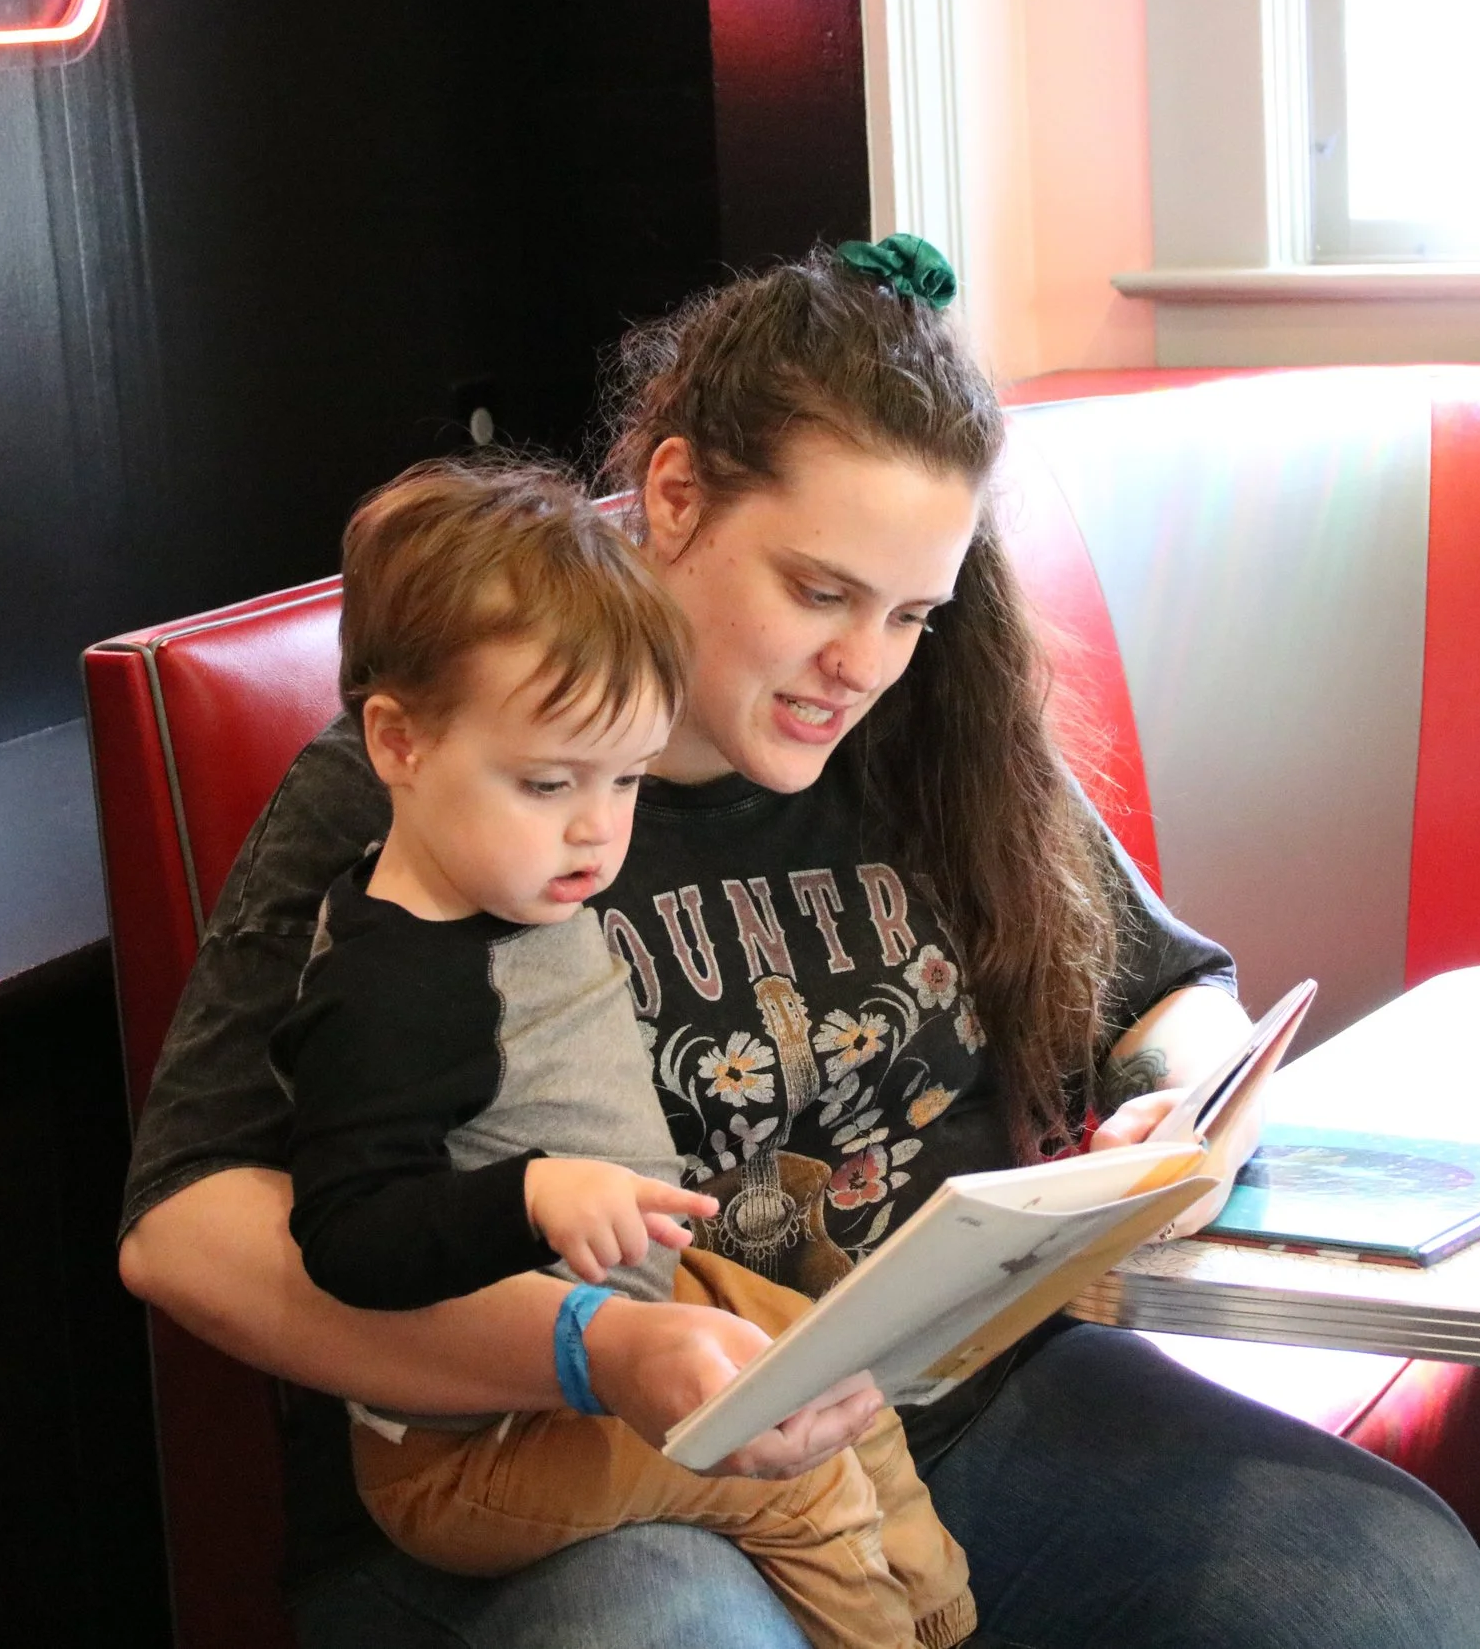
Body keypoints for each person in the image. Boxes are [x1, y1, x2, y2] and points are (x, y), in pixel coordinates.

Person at [118, 236, 1480, 1647]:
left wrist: (1177, 1119)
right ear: (673, 496)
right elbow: (186, 1233)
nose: (865, 662)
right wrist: (595, 1346)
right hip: (581, 1460)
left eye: (911, 610)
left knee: (1389, 1584)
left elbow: (1169, 996)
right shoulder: (451, 777)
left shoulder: (925, 732)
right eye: (819, 590)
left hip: (957, 1411)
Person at [278, 461, 972, 1649]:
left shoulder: (518, 877)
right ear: (395, 740)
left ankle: (946, 1613)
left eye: (627, 780)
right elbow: (347, 1237)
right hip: (470, 1442)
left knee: (840, 1377)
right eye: (549, 782)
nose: (597, 828)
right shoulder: (392, 982)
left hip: (637, 1303)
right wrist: (531, 1195)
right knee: (794, 1478)